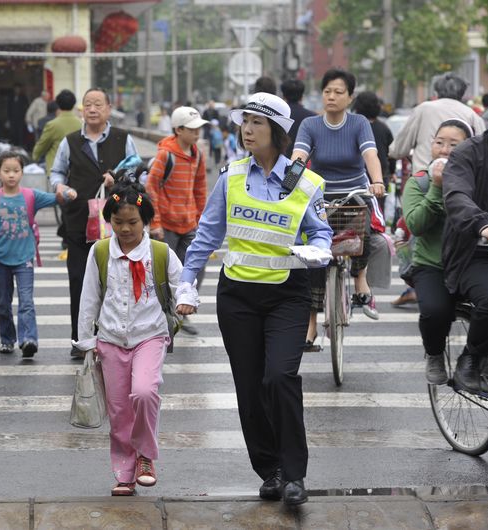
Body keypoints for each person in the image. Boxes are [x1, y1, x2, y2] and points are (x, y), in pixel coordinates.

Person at [176, 92, 333, 506]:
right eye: (245, 121)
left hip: (287, 295)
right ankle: (271, 470)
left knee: (279, 377)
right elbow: (207, 235)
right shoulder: (230, 176)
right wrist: (188, 283)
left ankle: (296, 474)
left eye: (257, 123)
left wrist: (318, 249)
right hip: (238, 297)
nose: (247, 129)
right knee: (249, 388)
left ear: (277, 132)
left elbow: (321, 231)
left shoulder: (305, 181)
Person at [73, 181, 188, 496]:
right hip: (110, 340)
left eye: (133, 222)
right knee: (119, 409)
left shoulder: (159, 252)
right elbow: (89, 299)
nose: (125, 229)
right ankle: (124, 472)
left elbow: (182, 282)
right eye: (118, 222)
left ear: (146, 221)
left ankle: (146, 457)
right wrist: (86, 342)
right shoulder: (100, 252)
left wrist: (187, 300)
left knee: (144, 393)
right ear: (109, 220)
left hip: (150, 335)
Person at [291, 68, 387, 348]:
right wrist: (287, 183)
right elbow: (299, 157)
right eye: (327, 91)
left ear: (350, 97)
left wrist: (377, 181)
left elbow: (371, 154)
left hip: (355, 192)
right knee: (313, 254)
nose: (332, 97)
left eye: (338, 92)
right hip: (320, 196)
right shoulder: (310, 125)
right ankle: (311, 326)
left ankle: (360, 280)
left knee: (363, 230)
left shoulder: (359, 124)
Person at [50, 87, 139, 359]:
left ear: (109, 109)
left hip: (117, 227)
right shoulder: (70, 141)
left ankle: (116, 339)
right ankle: (81, 340)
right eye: (87, 104)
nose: (92, 109)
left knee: (116, 283)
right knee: (79, 281)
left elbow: (137, 175)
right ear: (81, 110)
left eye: (98, 104)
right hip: (78, 224)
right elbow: (56, 173)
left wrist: (119, 180)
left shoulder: (123, 139)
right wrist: (61, 188)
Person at [0, 152, 76, 357]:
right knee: (3, 303)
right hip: (0, 259)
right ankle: (7, 339)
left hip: (25, 259)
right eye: (6, 171)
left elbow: (54, 199)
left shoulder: (31, 195)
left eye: (16, 170)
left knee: (26, 301)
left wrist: (68, 194)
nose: (11, 175)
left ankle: (28, 339)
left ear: (22, 173)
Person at [402, 119, 472, 384]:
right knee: (435, 311)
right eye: (439, 143)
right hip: (431, 264)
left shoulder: (480, 179)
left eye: (454, 145)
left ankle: (475, 358)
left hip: (470, 263)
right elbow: (416, 225)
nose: (444, 150)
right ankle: (434, 353)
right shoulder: (418, 183)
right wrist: (437, 188)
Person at [442, 81, 488, 393]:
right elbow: (456, 197)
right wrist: (483, 225)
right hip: (474, 253)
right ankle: (471, 360)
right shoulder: (468, 154)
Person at [146, 106, 208, 335]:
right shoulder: (165, 154)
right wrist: (155, 223)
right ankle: (164, 315)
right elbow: (151, 186)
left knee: (196, 266)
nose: (197, 133)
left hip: (190, 222)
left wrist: (201, 219)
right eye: (192, 129)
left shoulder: (198, 154)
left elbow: (200, 189)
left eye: (198, 129)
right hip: (167, 225)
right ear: (178, 129)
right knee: (163, 273)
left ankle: (183, 310)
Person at [390, 72, 486, 174]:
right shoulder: (472, 115)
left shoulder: (423, 109)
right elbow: (483, 153)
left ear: (436, 91)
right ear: (463, 92)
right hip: (459, 180)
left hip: (423, 179)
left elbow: (398, 149)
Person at [352, 91, 394, 214]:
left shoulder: (353, 127)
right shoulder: (384, 128)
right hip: (380, 177)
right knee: (378, 210)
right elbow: (391, 153)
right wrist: (391, 172)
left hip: (358, 177)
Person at [32, 89, 81, 174]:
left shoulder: (52, 125)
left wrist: (35, 156)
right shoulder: (81, 124)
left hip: (56, 171)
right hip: (76, 171)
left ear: (58, 104)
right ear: (73, 104)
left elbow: (41, 146)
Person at [280, 78, 317, 157]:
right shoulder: (313, 118)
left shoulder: (277, 117)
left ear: (283, 96)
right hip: (304, 165)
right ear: (302, 97)